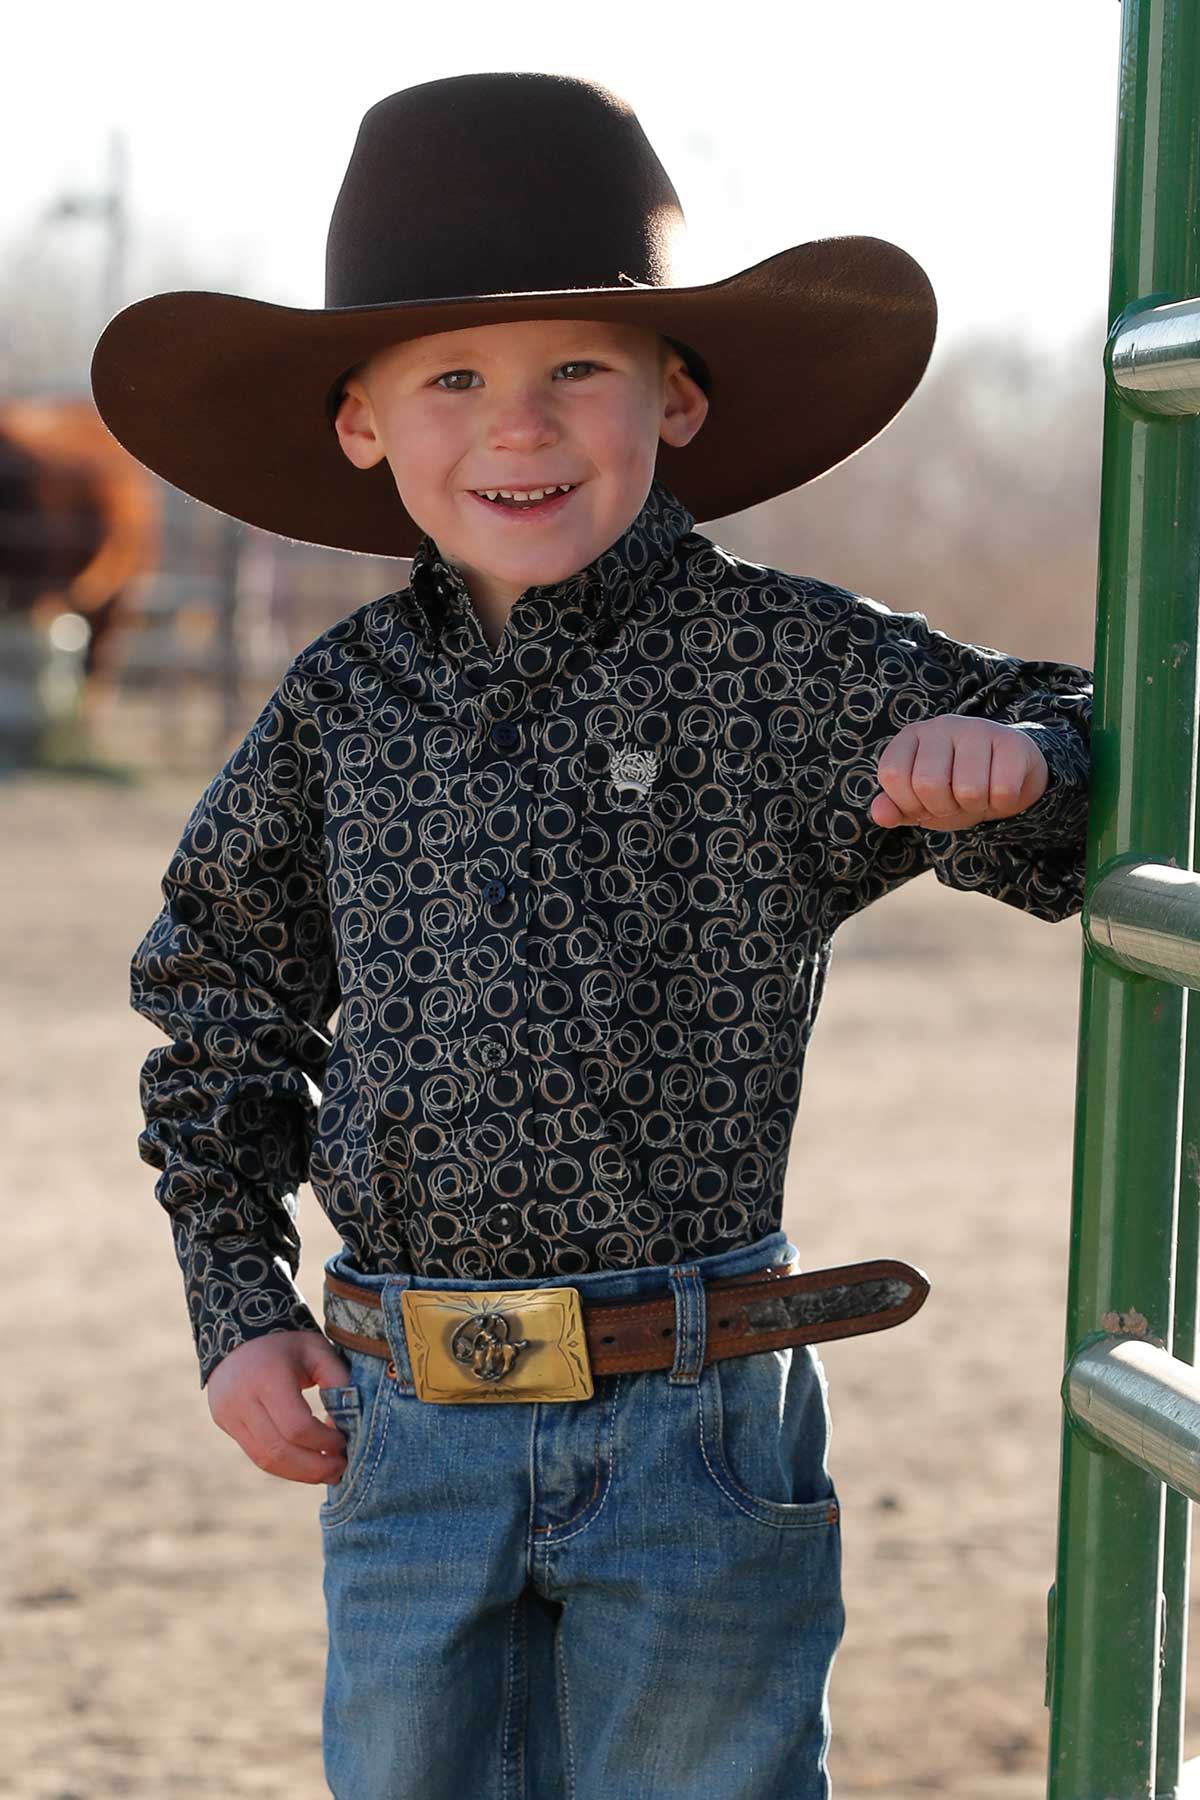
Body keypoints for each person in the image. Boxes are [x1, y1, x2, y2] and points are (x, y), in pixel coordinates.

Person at [92, 71, 1092, 1800]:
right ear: (360, 424)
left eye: (579, 370)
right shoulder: (341, 708)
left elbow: (1063, 732)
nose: (521, 429)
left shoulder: (777, 664)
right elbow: (219, 1000)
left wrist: (1022, 761)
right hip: (407, 1424)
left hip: (695, 1422)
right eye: (455, 380)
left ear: (677, 394)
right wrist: (232, 1297)